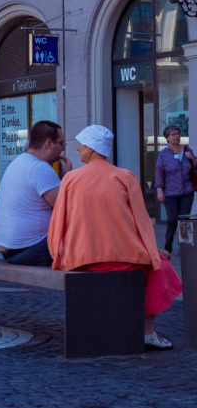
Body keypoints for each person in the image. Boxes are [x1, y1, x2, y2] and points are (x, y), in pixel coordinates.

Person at [50, 124, 181, 350]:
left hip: (81, 260)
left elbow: (57, 224)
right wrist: (153, 251)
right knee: (161, 268)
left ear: (92, 148)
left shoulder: (70, 179)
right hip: (124, 260)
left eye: (81, 144)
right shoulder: (125, 177)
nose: (78, 148)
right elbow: (142, 223)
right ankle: (147, 331)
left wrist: (59, 256)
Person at [0, 120, 65, 266]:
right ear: (49, 144)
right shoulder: (39, 168)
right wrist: (67, 177)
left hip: (9, 250)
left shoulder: (19, 162)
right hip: (28, 250)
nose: (63, 149)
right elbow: (66, 209)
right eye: (61, 143)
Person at [155, 125, 194, 254]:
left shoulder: (187, 150)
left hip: (187, 191)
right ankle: (168, 246)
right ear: (167, 137)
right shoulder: (163, 154)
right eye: (173, 134)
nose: (176, 136)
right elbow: (159, 173)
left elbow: (195, 165)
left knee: (185, 221)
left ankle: (185, 246)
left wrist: (192, 158)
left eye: (178, 133)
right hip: (170, 192)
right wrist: (159, 190)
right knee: (172, 219)